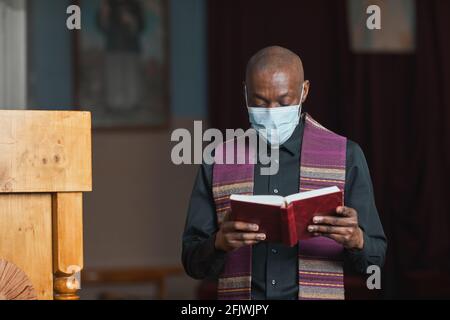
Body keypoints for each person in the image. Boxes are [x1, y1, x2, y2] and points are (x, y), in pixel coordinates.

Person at [182, 46, 387, 300]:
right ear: (245, 92)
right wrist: (218, 244)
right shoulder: (218, 160)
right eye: (259, 101)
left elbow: (375, 262)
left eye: (283, 101)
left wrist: (356, 239)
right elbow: (192, 263)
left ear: (304, 91)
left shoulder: (347, 156)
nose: (271, 111)